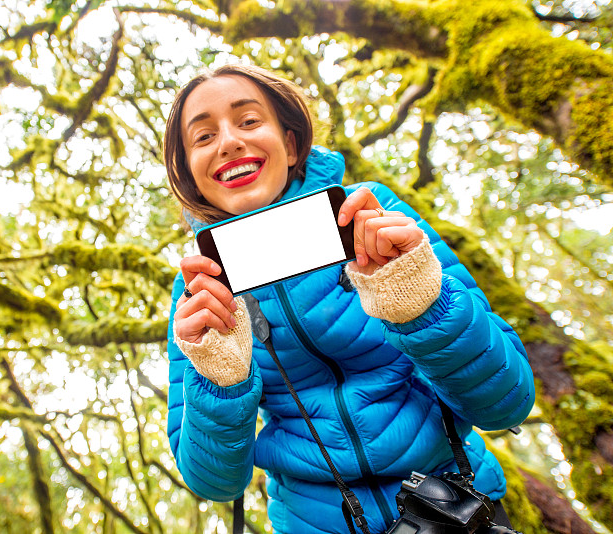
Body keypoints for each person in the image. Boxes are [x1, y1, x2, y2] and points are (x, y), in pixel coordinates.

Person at [163, 64, 534, 534]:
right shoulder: (200, 291)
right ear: (192, 175)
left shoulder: (376, 217)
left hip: (453, 504)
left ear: (292, 143)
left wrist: (422, 305)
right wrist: (220, 379)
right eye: (202, 136)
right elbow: (214, 483)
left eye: (249, 120)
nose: (229, 142)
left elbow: (508, 402)